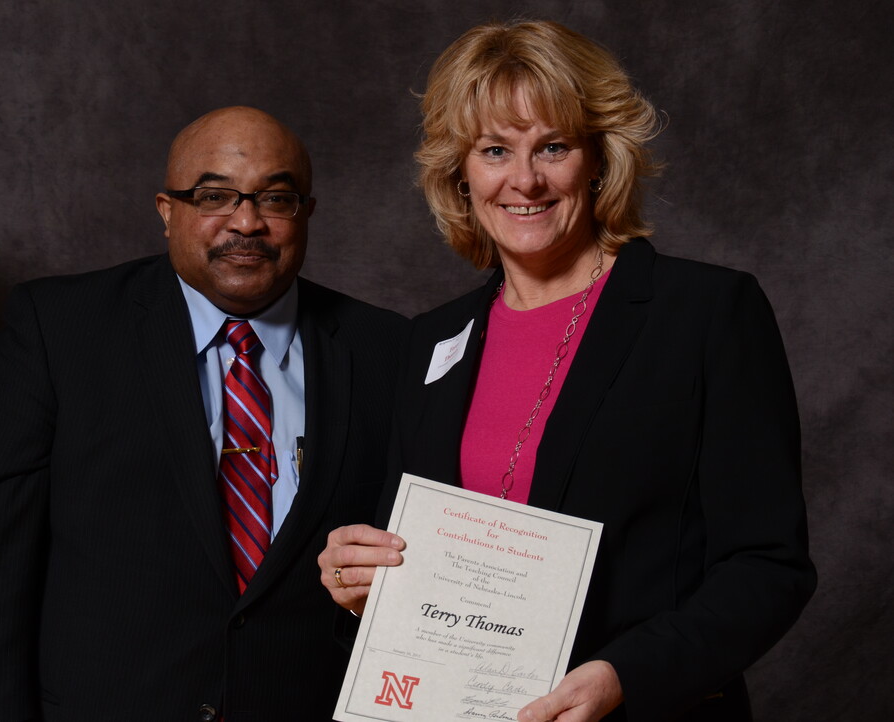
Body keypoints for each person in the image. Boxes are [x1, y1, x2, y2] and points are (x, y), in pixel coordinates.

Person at [318, 20, 815, 722]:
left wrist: (625, 676)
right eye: (495, 150)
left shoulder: (704, 313)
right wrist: (359, 576)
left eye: (552, 147)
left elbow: (769, 566)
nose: (525, 179)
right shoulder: (431, 343)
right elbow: (408, 560)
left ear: (597, 160)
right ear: (461, 172)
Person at [0, 106, 405, 721]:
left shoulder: (388, 351)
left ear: (307, 213)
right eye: (214, 196)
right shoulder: (60, 329)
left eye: (275, 199)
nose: (247, 222)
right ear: (166, 211)